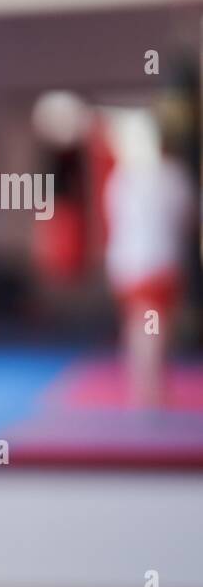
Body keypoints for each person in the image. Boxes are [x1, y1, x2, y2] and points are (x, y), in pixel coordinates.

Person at [103, 117, 197, 409]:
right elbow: (188, 218)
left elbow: (112, 218)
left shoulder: (122, 177)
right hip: (158, 261)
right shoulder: (172, 176)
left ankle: (145, 385)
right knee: (154, 326)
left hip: (128, 262)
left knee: (140, 323)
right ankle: (150, 389)